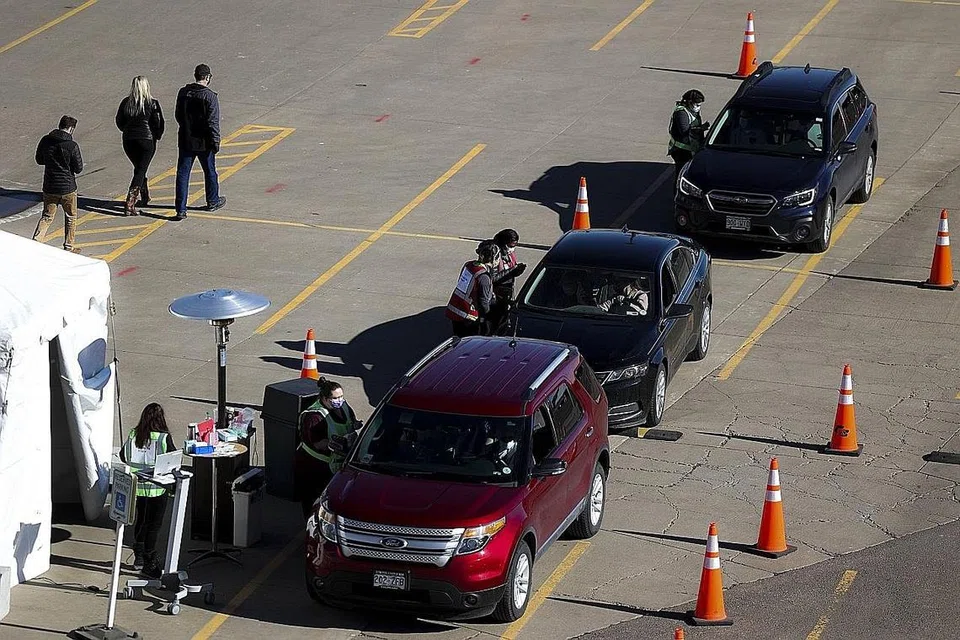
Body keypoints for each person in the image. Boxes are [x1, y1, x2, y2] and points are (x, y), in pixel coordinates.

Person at [119, 403, 177, 578]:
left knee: (142, 520)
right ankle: (149, 557)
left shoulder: (133, 434)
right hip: (157, 488)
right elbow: (172, 458)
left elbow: (124, 456)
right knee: (154, 525)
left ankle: (139, 553)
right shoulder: (163, 438)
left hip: (139, 487)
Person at [295, 377, 362, 519]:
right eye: (335, 398)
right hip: (313, 466)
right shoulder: (314, 417)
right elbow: (317, 443)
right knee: (314, 501)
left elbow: (350, 421)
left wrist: (355, 425)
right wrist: (334, 443)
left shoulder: (343, 406)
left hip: (336, 463)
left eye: (341, 396)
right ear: (325, 399)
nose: (339, 400)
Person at [174, 63, 225, 220]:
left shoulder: (183, 93)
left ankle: (181, 209)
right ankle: (212, 201)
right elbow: (213, 122)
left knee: (183, 173)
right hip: (204, 142)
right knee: (210, 171)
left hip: (186, 139)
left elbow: (178, 115)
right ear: (207, 77)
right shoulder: (210, 96)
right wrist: (216, 141)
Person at [32, 116, 83, 253]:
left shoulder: (46, 140)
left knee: (47, 216)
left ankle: (36, 243)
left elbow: (39, 160)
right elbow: (78, 168)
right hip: (68, 188)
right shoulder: (72, 146)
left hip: (50, 186)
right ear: (71, 129)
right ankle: (68, 246)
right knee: (71, 217)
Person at [116, 76, 165, 216]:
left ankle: (144, 196)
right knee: (140, 170)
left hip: (129, 141)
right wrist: (156, 136)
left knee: (139, 168)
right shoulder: (152, 103)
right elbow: (158, 123)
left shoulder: (126, 102)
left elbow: (119, 121)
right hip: (146, 141)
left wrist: (127, 131)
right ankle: (130, 203)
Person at [446, 242, 500, 337]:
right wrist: (486, 320)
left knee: (458, 339)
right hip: (469, 317)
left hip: (455, 309)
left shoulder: (469, 265)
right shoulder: (484, 277)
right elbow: (484, 302)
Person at [667, 89, 710, 192]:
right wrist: (701, 128)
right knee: (681, 175)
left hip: (692, 149)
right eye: (697, 104)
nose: (698, 106)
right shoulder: (681, 113)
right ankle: (678, 194)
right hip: (681, 151)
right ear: (689, 102)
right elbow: (684, 130)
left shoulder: (693, 111)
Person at [488, 228, 527, 333]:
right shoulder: (495, 254)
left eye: (514, 246)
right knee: (496, 320)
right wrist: (512, 271)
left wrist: (517, 270)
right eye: (511, 246)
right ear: (504, 243)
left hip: (507, 291)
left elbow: (511, 268)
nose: (512, 249)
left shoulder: (508, 253)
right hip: (496, 294)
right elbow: (493, 278)